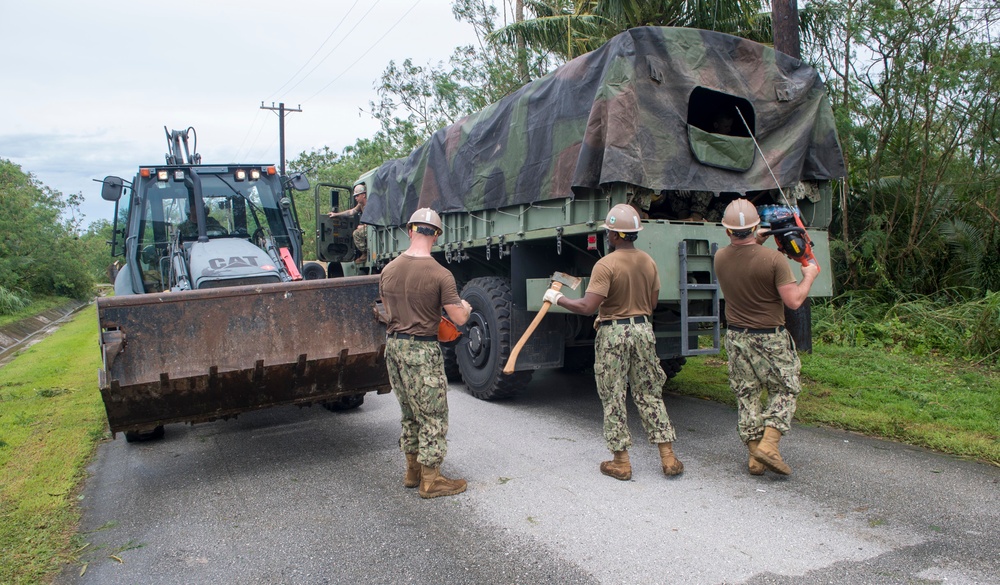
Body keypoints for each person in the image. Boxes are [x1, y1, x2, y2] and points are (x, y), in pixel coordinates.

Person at [545, 203, 684, 480]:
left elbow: (587, 306)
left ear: (617, 235)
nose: (607, 235)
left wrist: (558, 299)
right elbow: (653, 302)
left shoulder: (605, 265)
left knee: (614, 396)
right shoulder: (648, 261)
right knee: (649, 393)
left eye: (609, 231)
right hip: (644, 331)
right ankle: (668, 457)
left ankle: (621, 461)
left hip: (614, 334)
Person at [713, 198, 819, 476]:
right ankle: (769, 445)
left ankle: (754, 456)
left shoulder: (720, 257)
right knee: (786, 388)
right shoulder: (774, 260)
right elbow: (794, 301)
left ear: (727, 231)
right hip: (769, 338)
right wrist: (809, 275)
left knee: (746, 393)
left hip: (736, 338)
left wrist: (756, 241)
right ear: (757, 226)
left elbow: (744, 256)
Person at [379, 207, 473, 499]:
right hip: (421, 350)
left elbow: (387, 307)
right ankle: (431, 479)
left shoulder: (388, 269)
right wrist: (466, 307)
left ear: (410, 231)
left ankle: (412, 472)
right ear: (436, 236)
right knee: (433, 414)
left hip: (393, 347)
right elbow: (457, 318)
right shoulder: (440, 274)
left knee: (409, 412)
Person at [329, 183, 368, 262]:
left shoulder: (370, 203)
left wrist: (364, 226)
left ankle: (365, 253)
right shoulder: (360, 205)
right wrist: (336, 214)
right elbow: (351, 212)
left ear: (363, 195)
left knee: (356, 233)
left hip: (372, 227)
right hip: (368, 227)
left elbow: (373, 218)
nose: (356, 198)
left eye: (357, 196)